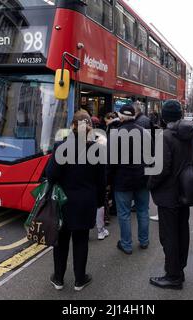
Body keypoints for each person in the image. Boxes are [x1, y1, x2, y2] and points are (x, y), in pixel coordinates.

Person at [46, 111, 106, 291]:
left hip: (63, 201)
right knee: (81, 241)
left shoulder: (61, 147)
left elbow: (50, 174)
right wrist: (100, 203)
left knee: (61, 241)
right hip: (86, 202)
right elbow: (102, 181)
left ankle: (58, 278)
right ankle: (80, 279)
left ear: (72, 126)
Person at [148, 100, 193, 290]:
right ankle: (179, 269)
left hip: (168, 195)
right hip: (186, 193)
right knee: (182, 232)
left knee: (169, 236)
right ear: (180, 115)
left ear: (164, 117)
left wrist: (150, 184)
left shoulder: (166, 137)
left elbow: (161, 169)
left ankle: (173, 276)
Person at [109, 104, 150, 255]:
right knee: (143, 210)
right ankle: (144, 241)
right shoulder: (144, 133)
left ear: (120, 117)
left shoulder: (116, 134)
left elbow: (110, 161)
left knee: (124, 213)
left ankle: (126, 245)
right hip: (143, 178)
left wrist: (109, 180)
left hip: (123, 180)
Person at [91, 116, 110, 241]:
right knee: (100, 203)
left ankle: (86, 228)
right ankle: (100, 230)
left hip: (85, 177)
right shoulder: (102, 138)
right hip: (98, 174)